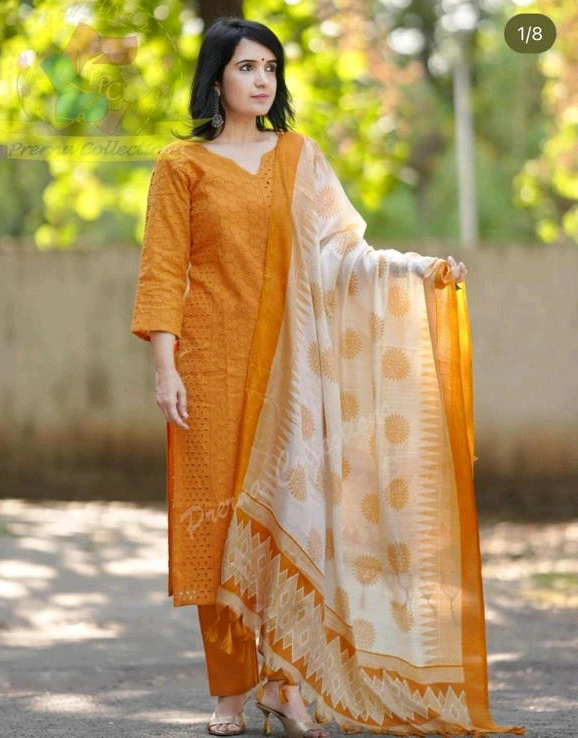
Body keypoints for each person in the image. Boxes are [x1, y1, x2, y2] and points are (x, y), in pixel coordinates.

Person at [131, 16, 524, 738]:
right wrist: (164, 367)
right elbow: (161, 270)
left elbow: (345, 254)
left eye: (270, 68)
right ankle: (229, 693)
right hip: (209, 369)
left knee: (293, 518)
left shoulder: (299, 157)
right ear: (215, 77)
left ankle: (284, 684)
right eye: (246, 67)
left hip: (293, 373)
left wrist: (418, 271)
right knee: (218, 530)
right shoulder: (180, 165)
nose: (261, 80)